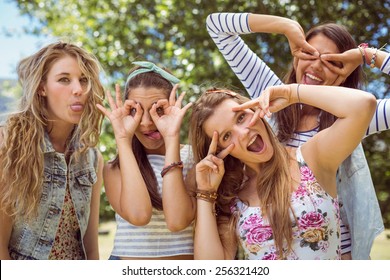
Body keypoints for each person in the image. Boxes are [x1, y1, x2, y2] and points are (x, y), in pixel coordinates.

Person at [206, 12, 390, 259]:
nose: (316, 66)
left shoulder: (353, 116)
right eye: (309, 54)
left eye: (331, 62)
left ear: (344, 73)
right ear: (296, 56)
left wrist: (369, 56)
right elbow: (215, 25)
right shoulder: (268, 94)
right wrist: (286, 26)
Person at [190, 84, 376, 260]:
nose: (243, 132)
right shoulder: (232, 197)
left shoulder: (311, 159)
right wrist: (205, 192)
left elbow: (363, 105)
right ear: (220, 152)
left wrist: (291, 93)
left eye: (240, 117)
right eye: (227, 135)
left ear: (255, 109)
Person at [0, 42, 105, 260]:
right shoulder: (9, 146)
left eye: (84, 80)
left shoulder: (92, 158)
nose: (79, 89)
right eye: (64, 79)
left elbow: (91, 247)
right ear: (41, 87)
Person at [97, 61, 195, 260]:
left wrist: (171, 137)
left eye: (158, 109)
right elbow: (139, 215)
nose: (147, 123)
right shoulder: (114, 168)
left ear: (174, 106)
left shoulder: (194, 159)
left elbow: (177, 221)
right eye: (136, 110)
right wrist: (123, 139)